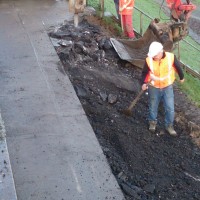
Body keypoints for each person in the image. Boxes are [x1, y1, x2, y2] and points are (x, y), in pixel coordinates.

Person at [141, 41, 185, 136]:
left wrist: (182, 77)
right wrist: (144, 83)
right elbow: (144, 72)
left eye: (155, 55)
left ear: (161, 52)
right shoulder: (149, 60)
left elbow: (178, 67)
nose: (153, 57)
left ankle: (169, 126)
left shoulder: (170, 57)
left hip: (167, 86)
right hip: (153, 87)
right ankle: (152, 122)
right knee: (153, 106)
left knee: (170, 108)